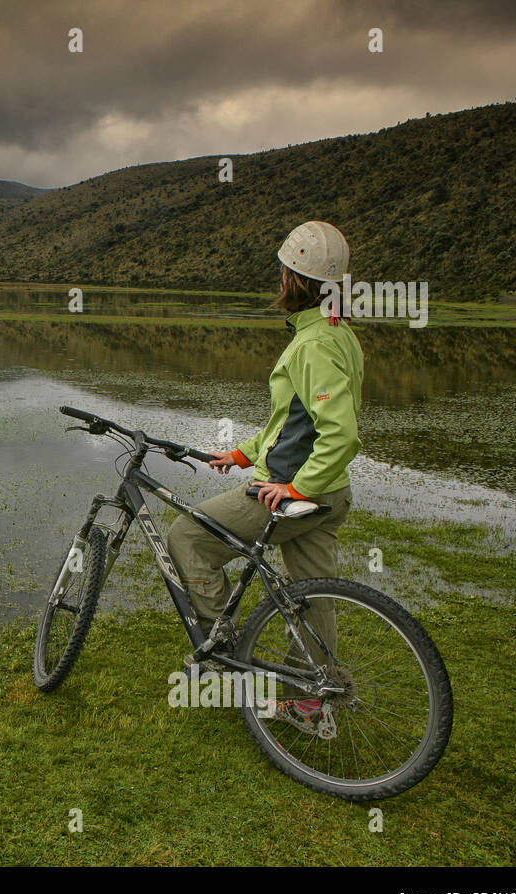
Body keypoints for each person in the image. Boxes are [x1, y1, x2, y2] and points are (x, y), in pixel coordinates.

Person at [165, 221, 363, 729]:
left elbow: (338, 433)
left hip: (295, 492)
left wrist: (297, 486)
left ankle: (221, 650)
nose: (278, 281)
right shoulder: (337, 333)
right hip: (330, 493)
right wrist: (240, 453)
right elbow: (290, 422)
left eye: (283, 273)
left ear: (293, 279)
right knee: (311, 591)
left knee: (187, 534)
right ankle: (315, 697)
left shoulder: (312, 345)